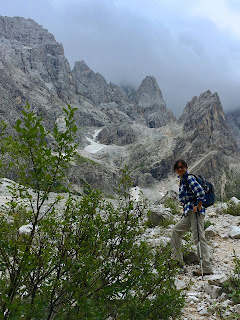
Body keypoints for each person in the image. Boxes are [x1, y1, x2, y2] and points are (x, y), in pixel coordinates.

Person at [171, 159, 213, 276]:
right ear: (176, 170)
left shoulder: (189, 178)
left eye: (182, 166)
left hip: (196, 212)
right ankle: (178, 261)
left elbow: (200, 193)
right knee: (176, 231)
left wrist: (198, 206)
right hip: (189, 213)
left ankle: (206, 267)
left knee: (199, 238)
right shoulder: (183, 180)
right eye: (178, 167)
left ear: (186, 167)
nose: (180, 169)